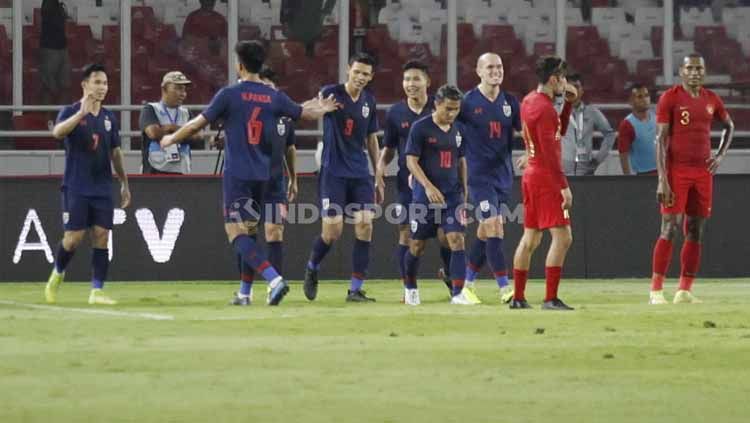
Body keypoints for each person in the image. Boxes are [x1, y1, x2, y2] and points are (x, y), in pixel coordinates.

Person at [160, 40, 338, 306]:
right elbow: (304, 113)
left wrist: (170, 139)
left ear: (239, 65)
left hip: (240, 176)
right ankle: (244, 294)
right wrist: (320, 107)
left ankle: (273, 279)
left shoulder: (228, 95)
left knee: (236, 232)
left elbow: (197, 124)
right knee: (263, 231)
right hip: (269, 176)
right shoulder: (273, 96)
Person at [649, 54, 734, 305]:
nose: (695, 72)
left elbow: (728, 126)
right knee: (670, 226)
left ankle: (684, 290)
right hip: (677, 171)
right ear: (681, 72)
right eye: (690, 68)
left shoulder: (711, 100)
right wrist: (662, 179)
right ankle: (656, 290)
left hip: (703, 173)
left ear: (705, 72)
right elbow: (660, 141)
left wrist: (719, 155)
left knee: (696, 230)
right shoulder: (671, 98)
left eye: (699, 69)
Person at [44, 64, 131, 305]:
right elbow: (58, 133)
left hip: (102, 186)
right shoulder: (70, 111)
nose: (102, 87)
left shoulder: (109, 118)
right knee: (73, 238)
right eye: (97, 82)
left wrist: (124, 182)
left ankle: (97, 291)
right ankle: (57, 274)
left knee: (102, 235)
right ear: (85, 84)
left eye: (105, 83)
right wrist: (80, 115)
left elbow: (115, 151)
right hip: (77, 185)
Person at [303, 52, 381, 303]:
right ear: (349, 69)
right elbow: (307, 111)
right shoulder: (331, 92)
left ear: (371, 77)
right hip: (333, 171)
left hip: (360, 172)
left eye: (365, 74)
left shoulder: (369, 101)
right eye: (356, 71)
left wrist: (378, 172)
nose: (360, 77)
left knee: (365, 225)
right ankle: (313, 267)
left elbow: (371, 138)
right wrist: (321, 109)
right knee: (332, 232)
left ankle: (355, 289)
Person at [375, 60, 453, 300]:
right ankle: (408, 287)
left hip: (439, 184)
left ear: (428, 82)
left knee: (445, 235)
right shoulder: (396, 113)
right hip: (406, 186)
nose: (411, 84)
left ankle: (451, 276)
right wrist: (379, 173)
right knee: (407, 234)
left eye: (416, 79)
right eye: (407, 79)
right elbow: (388, 148)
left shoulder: (440, 108)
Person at [511, 56, 578, 311]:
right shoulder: (547, 109)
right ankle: (550, 298)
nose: (566, 83)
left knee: (530, 238)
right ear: (554, 79)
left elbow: (548, 135)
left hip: (531, 175)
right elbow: (550, 152)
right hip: (546, 178)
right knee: (563, 238)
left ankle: (518, 297)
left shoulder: (529, 101)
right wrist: (563, 186)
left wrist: (568, 105)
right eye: (563, 78)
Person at [231, 66, 298, 305]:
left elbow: (289, 149)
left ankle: (274, 287)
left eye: (270, 88)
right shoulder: (249, 117)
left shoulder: (285, 119)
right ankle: (244, 292)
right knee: (248, 231)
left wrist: (294, 178)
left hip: (275, 183)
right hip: (250, 181)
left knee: (274, 231)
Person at [457, 52, 521, 305]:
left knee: (486, 231)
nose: (496, 71)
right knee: (495, 226)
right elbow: (452, 132)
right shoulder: (468, 102)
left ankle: (467, 286)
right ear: (479, 71)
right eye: (490, 67)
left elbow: (524, 131)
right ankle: (505, 288)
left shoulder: (510, 102)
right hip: (478, 175)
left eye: (500, 67)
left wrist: (529, 152)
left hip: (503, 175)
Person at [403, 84, 471, 305]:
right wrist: (428, 187)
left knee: (456, 239)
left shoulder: (458, 130)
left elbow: (461, 160)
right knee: (417, 246)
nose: (452, 114)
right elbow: (410, 161)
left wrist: (465, 190)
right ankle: (410, 288)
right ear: (437, 104)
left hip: (452, 196)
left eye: (456, 109)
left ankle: (459, 293)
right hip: (425, 197)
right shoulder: (420, 128)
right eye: (448, 109)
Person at [140, 71, 202, 175]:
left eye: (184, 89)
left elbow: (198, 136)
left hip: (182, 172)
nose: (183, 93)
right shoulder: (151, 109)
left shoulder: (186, 113)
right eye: (178, 88)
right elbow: (154, 133)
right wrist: (184, 132)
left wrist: (170, 128)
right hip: (154, 173)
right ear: (164, 89)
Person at [560, 73, 616, 176]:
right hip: (563, 170)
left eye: (576, 87)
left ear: (582, 90)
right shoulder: (557, 111)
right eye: (569, 87)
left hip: (585, 170)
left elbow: (610, 134)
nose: (573, 90)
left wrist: (598, 159)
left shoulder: (592, 112)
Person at [618, 83, 657, 175]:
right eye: (640, 97)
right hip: (643, 175)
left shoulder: (657, 117)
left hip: (663, 172)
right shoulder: (627, 124)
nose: (645, 99)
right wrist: (628, 179)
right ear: (630, 101)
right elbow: (623, 154)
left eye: (647, 96)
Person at [39, 0, 70, 109]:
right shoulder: (48, 4)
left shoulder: (59, 5)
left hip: (62, 48)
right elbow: (54, 21)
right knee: (49, 87)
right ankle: (46, 119)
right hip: (50, 49)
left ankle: (61, 116)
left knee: (65, 86)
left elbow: (63, 20)